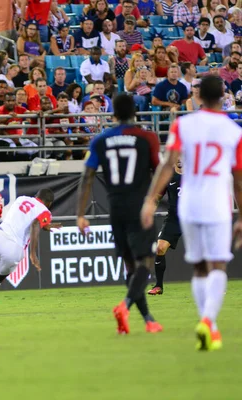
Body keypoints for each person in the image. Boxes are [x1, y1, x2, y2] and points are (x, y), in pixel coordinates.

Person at [141, 75, 242, 351]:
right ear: (223, 96)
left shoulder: (183, 125)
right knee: (217, 265)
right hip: (217, 205)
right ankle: (209, 321)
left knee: (198, 267)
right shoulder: (233, 131)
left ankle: (208, 324)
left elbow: (167, 164)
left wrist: (150, 200)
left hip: (189, 206)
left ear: (197, 98)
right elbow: (238, 178)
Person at [76, 93, 163, 335]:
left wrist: (80, 214)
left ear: (112, 114)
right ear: (135, 112)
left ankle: (148, 320)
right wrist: (153, 199)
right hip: (139, 206)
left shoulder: (101, 140)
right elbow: (160, 172)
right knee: (145, 262)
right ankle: (124, 306)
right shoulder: (147, 138)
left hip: (116, 208)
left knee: (130, 267)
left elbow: (87, 177)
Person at [0, 189, 59, 314]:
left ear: (36, 196)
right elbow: (36, 223)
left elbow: (33, 220)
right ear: (49, 203)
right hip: (15, 249)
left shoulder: (22, 198)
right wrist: (33, 253)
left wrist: (45, 226)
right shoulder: (46, 212)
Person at [147, 158, 182, 296]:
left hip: (192, 217)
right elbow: (157, 197)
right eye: (177, 156)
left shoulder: (194, 173)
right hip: (174, 219)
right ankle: (158, 286)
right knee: (160, 248)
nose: (179, 159)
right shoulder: (168, 176)